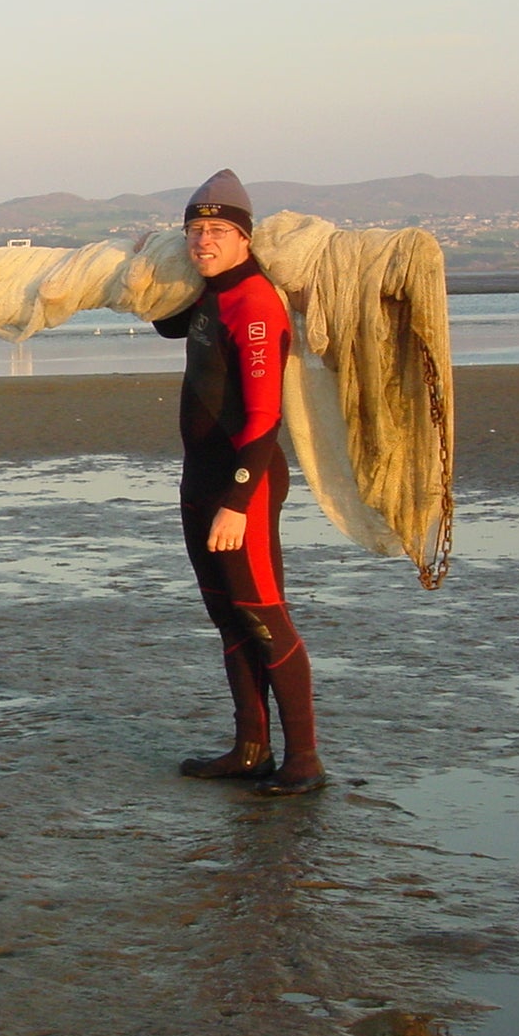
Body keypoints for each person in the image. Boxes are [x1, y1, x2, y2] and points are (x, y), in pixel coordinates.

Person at [153, 168, 327, 798]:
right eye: (195, 229)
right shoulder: (207, 293)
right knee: (226, 616)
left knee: (261, 614)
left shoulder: (253, 304)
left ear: (245, 239)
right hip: (199, 478)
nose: (204, 240)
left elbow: (263, 417)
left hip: (240, 484)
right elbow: (163, 320)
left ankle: (303, 758)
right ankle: (250, 748)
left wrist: (238, 502)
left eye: (219, 230)